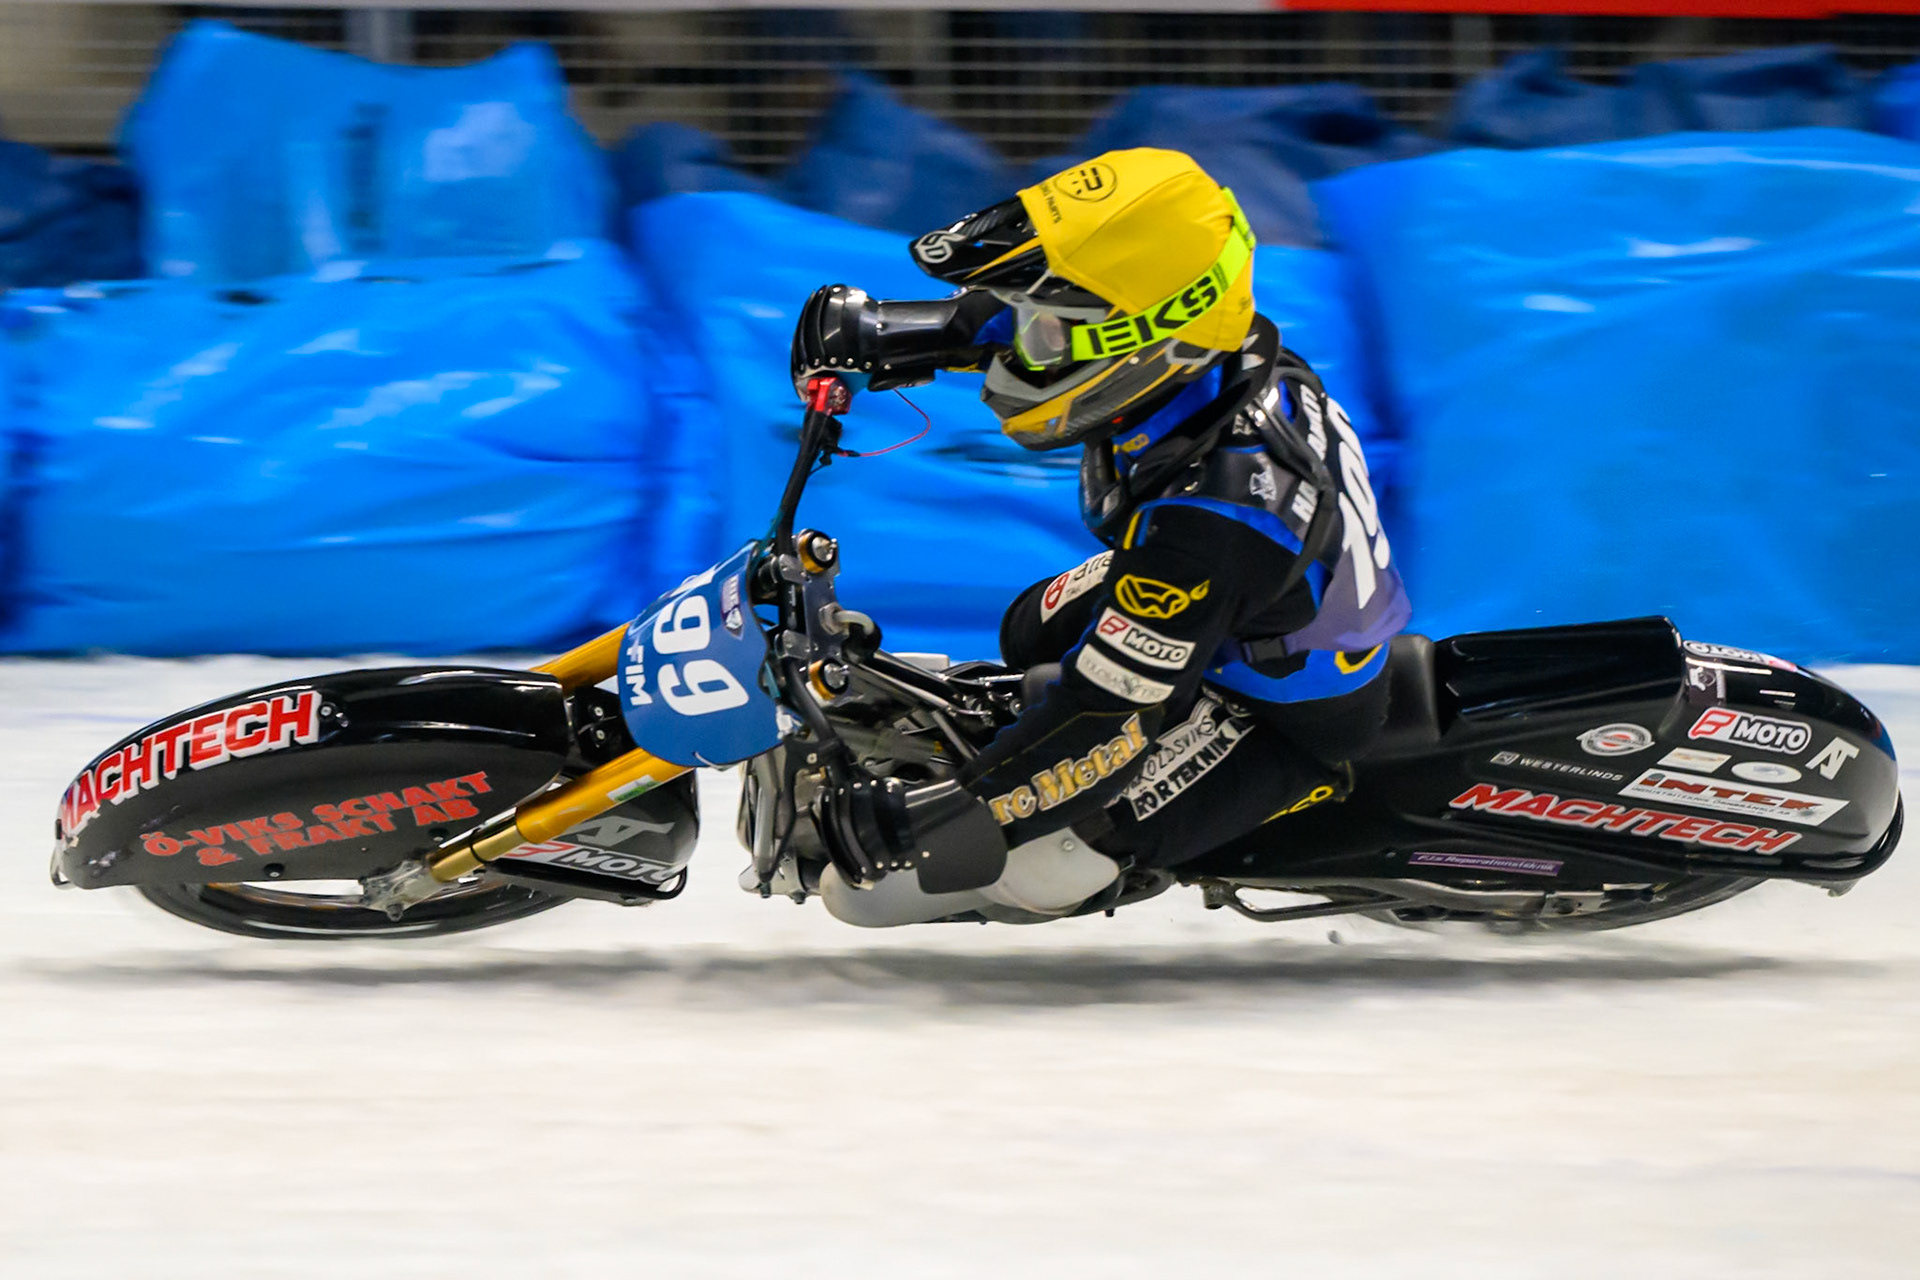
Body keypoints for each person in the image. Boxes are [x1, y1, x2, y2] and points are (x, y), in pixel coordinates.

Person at [789, 147, 1410, 905]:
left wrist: (943, 814)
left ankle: (1131, 847)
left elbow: (1104, 719)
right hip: (1257, 604)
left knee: (890, 894)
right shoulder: (1217, 345)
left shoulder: (1211, 523)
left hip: (1286, 714)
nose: (1017, 348)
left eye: (1042, 337)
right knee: (1029, 630)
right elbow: (1048, 313)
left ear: (1142, 345)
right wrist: (891, 333)